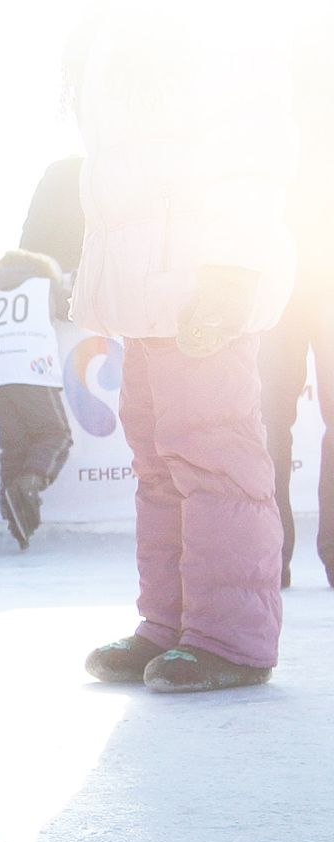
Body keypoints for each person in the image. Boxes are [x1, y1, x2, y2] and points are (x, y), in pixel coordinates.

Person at [76, 2, 296, 694]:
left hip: (201, 283)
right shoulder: (113, 33)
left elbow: (250, 152)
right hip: (148, 291)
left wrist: (231, 270)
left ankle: (229, 638)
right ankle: (168, 623)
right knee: (159, 464)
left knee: (214, 456)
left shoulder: (212, 29)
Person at [260, 15, 334, 590]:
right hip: (303, 271)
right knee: (273, 423)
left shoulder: (268, 111)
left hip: (279, 273)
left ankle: (271, 555)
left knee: (268, 423)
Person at [0, 249, 74, 549]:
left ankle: (17, 525)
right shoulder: (43, 287)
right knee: (56, 434)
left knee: (14, 447)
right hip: (34, 368)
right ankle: (31, 482)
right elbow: (72, 310)